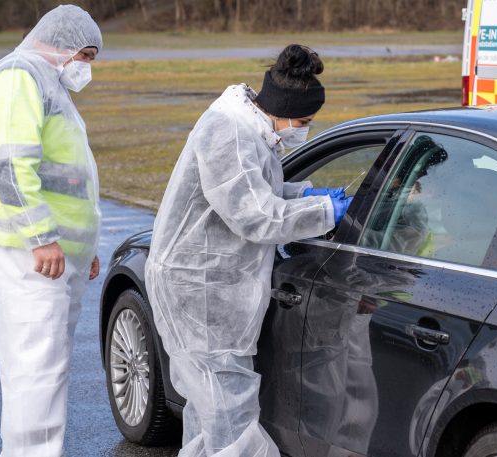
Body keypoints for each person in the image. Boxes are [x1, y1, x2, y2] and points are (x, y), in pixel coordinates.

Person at [145, 44, 352, 456]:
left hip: (211, 284)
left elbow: (253, 190)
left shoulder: (253, 129)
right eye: (305, 121)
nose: (303, 130)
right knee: (231, 412)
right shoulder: (229, 135)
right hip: (198, 289)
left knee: (212, 412)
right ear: (283, 107)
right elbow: (255, 215)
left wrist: (307, 194)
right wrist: (322, 210)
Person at [0, 5, 102, 457]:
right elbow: (8, 164)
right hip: (23, 250)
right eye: (86, 55)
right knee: (35, 372)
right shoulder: (18, 77)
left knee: (43, 370)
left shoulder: (46, 84)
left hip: (48, 252)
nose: (87, 68)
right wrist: (41, 237)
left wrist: (84, 244)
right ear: (62, 45)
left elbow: (65, 175)